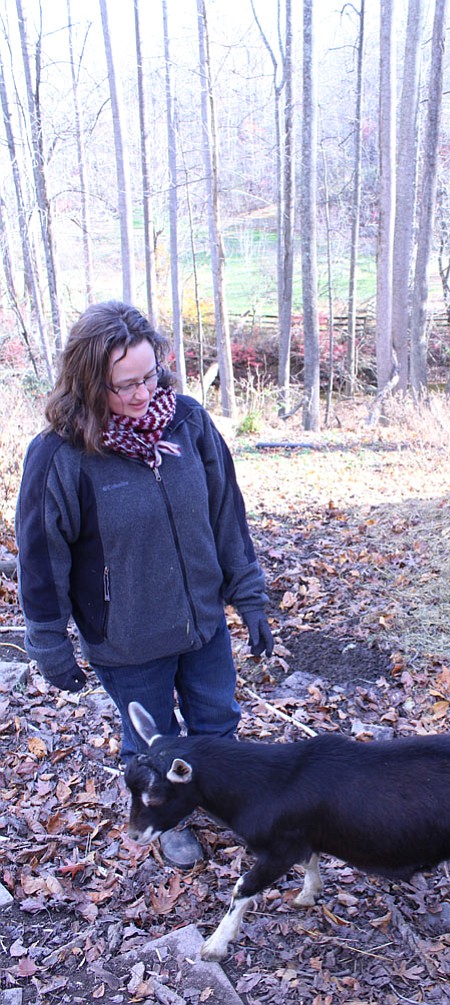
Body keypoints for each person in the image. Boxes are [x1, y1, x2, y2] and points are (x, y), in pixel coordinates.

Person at [15, 301, 274, 867]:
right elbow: (40, 558)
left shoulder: (187, 421)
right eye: (123, 384)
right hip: (127, 640)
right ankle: (165, 818)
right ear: (87, 383)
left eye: (149, 375)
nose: (141, 394)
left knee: (216, 726)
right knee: (152, 743)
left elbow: (226, 514)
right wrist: (49, 644)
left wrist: (248, 596)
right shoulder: (59, 456)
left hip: (201, 622)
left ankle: (219, 803)